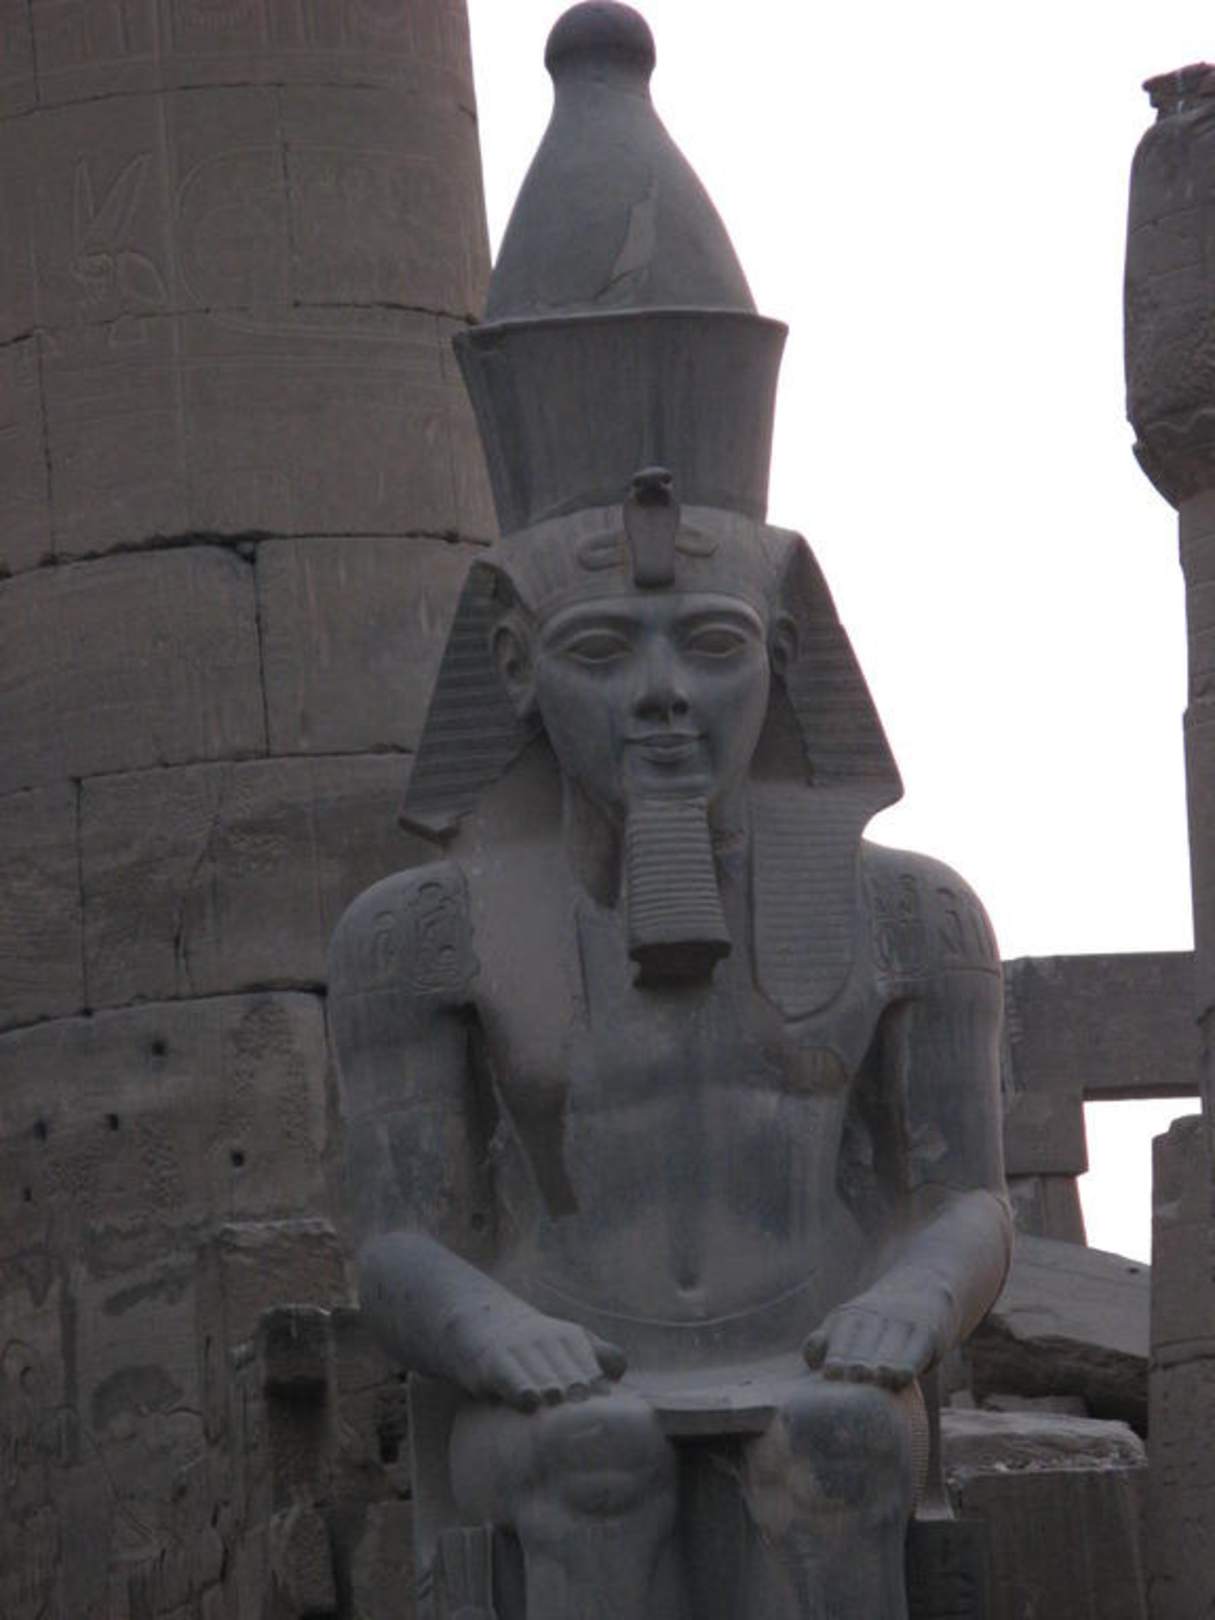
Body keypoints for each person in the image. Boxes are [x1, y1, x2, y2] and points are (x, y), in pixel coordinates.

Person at [327, 8, 1011, 1617]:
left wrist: (915, 1302)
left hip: (820, 1343)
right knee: (594, 1458)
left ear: (784, 652)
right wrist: (490, 1329)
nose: (660, 697)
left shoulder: (913, 912)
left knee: (837, 1449)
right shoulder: (419, 934)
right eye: (598, 652)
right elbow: (400, 1239)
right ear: (513, 665)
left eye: (708, 646)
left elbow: (966, 1194)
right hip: (555, 1364)